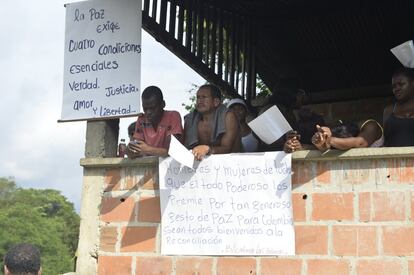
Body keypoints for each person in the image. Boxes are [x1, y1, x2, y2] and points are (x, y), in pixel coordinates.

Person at [184, 84, 241, 160]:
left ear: (216, 102)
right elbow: (186, 148)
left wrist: (208, 149)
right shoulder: (190, 119)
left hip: (232, 165)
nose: (199, 101)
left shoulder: (228, 116)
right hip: (203, 167)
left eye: (204, 97)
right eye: (198, 97)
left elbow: (227, 148)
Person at [127, 86, 183, 157]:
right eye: (145, 109)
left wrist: (147, 149)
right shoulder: (141, 119)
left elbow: (173, 151)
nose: (148, 112)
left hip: (171, 166)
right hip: (149, 166)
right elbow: (136, 149)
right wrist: (130, 149)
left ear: (163, 104)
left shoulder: (173, 116)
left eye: (152, 108)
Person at [284, 119, 384, 153]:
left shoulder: (371, 125)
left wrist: (328, 140)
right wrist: (296, 146)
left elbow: (360, 143)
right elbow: (317, 148)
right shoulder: (340, 132)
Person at [383, 67, 414, 146]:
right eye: (394, 86)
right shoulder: (389, 110)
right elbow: (384, 138)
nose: (397, 89)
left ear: (412, 84)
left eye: (401, 84)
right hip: (393, 157)